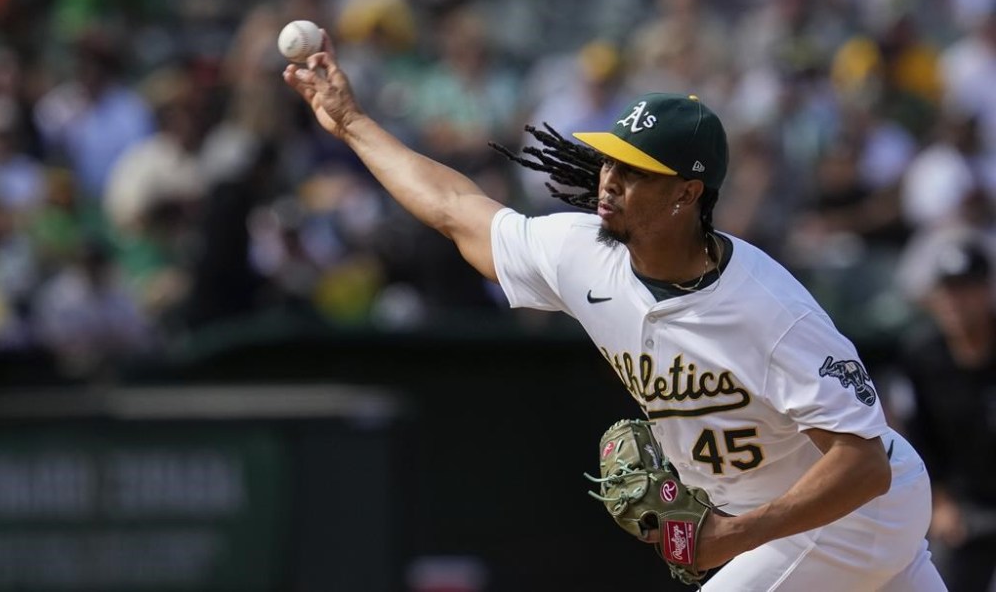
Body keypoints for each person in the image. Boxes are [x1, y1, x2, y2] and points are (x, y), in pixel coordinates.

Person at [283, 32, 946, 590]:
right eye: (609, 162)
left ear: (687, 193)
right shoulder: (582, 254)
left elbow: (864, 464)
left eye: (634, 170)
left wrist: (735, 535)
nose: (608, 180)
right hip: (794, 516)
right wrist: (352, 124)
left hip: (855, 513)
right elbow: (456, 210)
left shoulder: (766, 309)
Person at [894, 239, 996, 591]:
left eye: (966, 291)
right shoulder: (922, 357)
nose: (955, 303)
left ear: (986, 292)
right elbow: (917, 438)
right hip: (962, 507)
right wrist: (941, 502)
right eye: (948, 292)